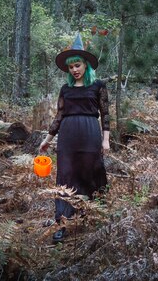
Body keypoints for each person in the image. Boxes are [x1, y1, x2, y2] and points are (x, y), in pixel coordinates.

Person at [39, 33, 110, 243]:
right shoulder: (66, 89)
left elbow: (105, 114)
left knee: (91, 173)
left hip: (90, 134)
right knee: (66, 178)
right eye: (71, 67)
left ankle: (92, 215)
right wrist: (47, 139)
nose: (74, 70)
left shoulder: (98, 86)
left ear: (86, 65)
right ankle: (63, 223)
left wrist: (106, 140)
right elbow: (59, 116)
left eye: (77, 65)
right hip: (67, 137)